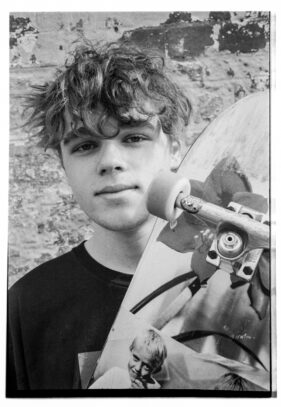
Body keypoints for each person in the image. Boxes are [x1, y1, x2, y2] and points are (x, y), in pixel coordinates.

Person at [7, 41, 191, 392]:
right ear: (63, 164)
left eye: (134, 137)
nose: (110, 161)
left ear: (175, 150)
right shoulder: (25, 307)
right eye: (85, 146)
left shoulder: (236, 287)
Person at [89, 329, 167, 389]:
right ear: (131, 350)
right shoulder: (115, 375)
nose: (137, 368)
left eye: (146, 366)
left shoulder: (156, 388)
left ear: (155, 369)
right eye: (135, 358)